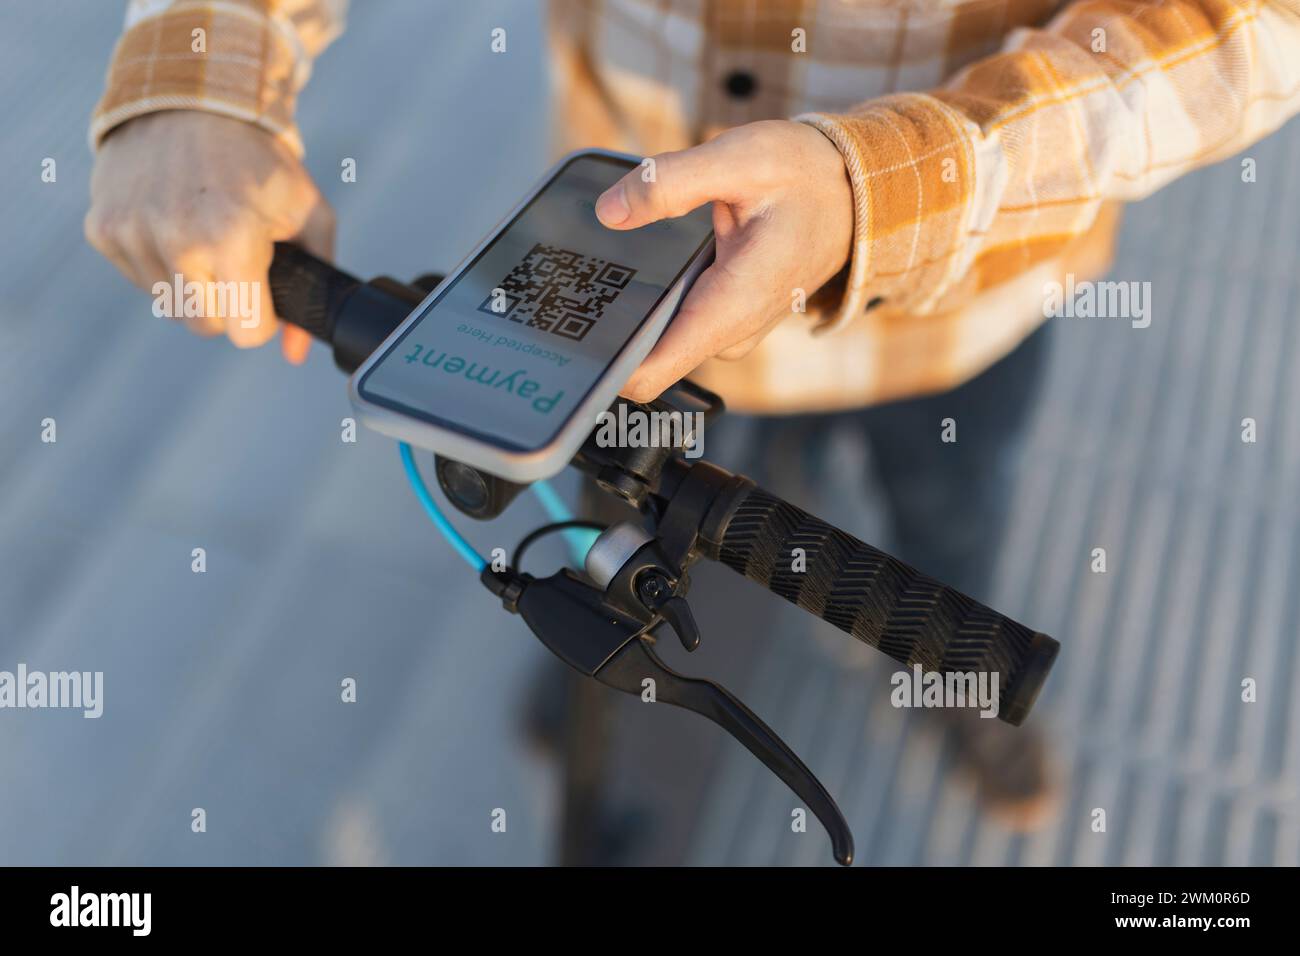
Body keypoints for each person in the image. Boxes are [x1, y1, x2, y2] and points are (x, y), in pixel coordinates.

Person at [85, 0, 1300, 831]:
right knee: (615, 521)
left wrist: (891, 177)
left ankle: (959, 694)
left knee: (949, 511)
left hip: (958, 300)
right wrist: (201, 54)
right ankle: (601, 656)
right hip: (619, 305)